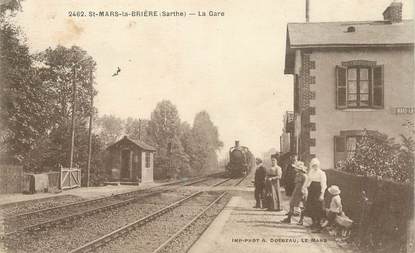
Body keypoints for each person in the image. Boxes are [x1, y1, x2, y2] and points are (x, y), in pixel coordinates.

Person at [304, 157, 327, 233]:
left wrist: (322, 194)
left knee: (318, 208)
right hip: (311, 191)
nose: (315, 167)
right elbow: (308, 181)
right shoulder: (311, 171)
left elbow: (324, 185)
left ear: (318, 165)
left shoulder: (321, 173)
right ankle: (313, 223)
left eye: (316, 165)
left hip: (318, 191)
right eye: (313, 165)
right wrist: (305, 189)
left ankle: (318, 225)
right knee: (311, 207)